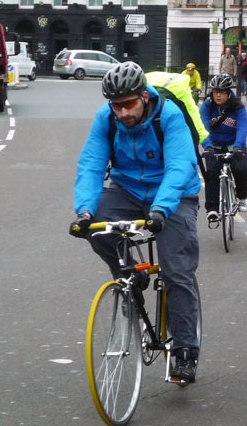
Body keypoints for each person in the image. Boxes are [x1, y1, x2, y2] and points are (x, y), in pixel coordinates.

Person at [69, 62, 201, 383]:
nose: (123, 112)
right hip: (127, 190)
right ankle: (128, 276)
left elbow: (181, 166)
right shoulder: (107, 119)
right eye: (117, 105)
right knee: (97, 223)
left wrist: (161, 209)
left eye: (129, 104)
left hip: (174, 195)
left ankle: (185, 350)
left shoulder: (169, 117)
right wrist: (84, 212)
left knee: (176, 272)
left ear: (144, 95)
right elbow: (91, 163)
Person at [199, 74, 247, 222]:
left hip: (234, 146)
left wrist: (238, 147)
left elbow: (242, 128)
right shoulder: (207, 107)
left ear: (228, 93)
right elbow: (203, 128)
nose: (218, 95)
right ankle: (212, 209)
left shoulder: (238, 107)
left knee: (240, 170)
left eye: (221, 92)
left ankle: (242, 198)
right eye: (215, 92)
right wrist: (207, 147)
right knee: (212, 174)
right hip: (214, 146)